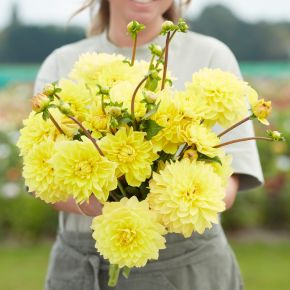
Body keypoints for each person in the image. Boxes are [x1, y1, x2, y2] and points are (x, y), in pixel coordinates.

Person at [34, 1, 264, 289]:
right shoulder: (61, 62)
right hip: (84, 270)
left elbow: (231, 178)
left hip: (189, 266)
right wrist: (89, 205)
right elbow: (41, 177)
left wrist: (170, 205)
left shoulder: (212, 56)